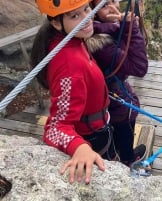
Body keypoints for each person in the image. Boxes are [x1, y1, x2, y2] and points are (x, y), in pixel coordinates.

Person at [31, 0, 114, 184]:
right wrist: (81, 148)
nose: (87, 18)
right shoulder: (70, 67)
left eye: (87, 9)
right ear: (56, 22)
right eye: (75, 16)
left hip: (97, 124)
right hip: (91, 136)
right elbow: (54, 128)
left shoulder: (70, 39)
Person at [85, 0, 148, 166]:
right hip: (113, 96)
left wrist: (125, 24)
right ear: (93, 11)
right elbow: (140, 67)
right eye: (104, 5)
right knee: (124, 124)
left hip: (110, 91)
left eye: (113, 0)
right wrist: (130, 25)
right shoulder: (100, 43)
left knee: (118, 127)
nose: (113, 7)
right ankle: (128, 159)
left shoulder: (109, 28)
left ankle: (118, 153)